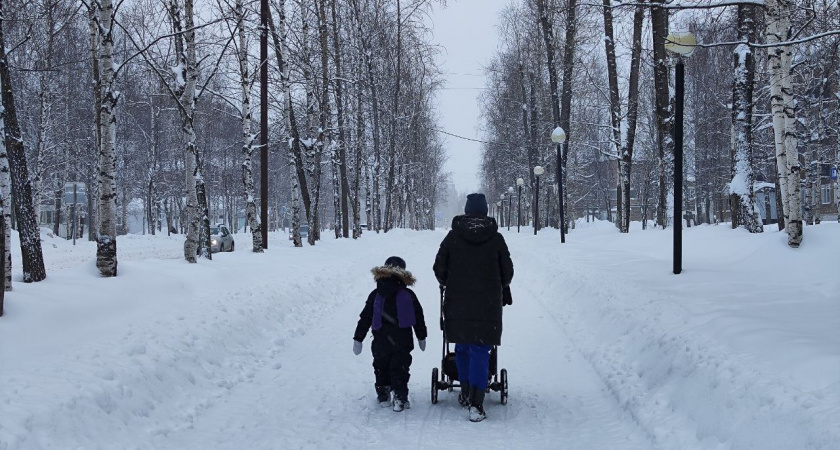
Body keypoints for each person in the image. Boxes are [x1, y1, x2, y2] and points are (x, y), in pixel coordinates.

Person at [433, 193, 514, 422]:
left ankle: (466, 392)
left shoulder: (452, 237)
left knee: (461, 346)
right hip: (487, 305)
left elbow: (439, 268)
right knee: (480, 349)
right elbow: (507, 272)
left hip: (457, 303)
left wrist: (448, 281)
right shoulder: (496, 239)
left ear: (467, 211)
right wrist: (500, 285)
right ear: (486, 211)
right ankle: (477, 404)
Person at [353, 256, 428, 412]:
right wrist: (421, 335)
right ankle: (400, 397)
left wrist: (358, 338)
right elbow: (418, 316)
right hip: (402, 337)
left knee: (381, 365)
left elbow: (365, 316)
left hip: (380, 337)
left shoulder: (376, 294)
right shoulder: (408, 295)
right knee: (400, 366)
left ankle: (383, 395)